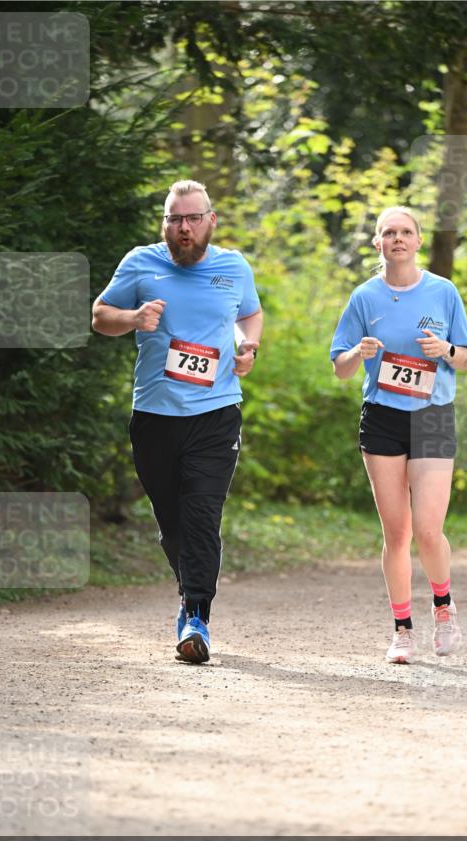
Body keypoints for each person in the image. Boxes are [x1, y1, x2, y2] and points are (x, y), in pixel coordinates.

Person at [92, 179, 263, 664]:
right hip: (154, 416)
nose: (182, 228)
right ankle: (189, 594)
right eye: (174, 219)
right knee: (172, 524)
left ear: (211, 220)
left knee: (202, 514)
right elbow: (99, 315)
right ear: (163, 223)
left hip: (216, 414)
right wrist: (133, 318)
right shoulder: (140, 263)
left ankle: (196, 617)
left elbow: (250, 314)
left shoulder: (234, 266)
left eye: (191, 218)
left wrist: (249, 346)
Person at [330, 206, 467, 664]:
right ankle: (402, 631)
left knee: (428, 531)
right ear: (377, 243)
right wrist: (358, 351)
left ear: (417, 241)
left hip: (432, 415)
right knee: (397, 533)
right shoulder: (364, 297)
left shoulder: (443, 291)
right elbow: (340, 367)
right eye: (388, 232)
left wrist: (447, 350)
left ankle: (444, 609)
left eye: (405, 232)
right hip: (382, 417)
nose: (397, 238)